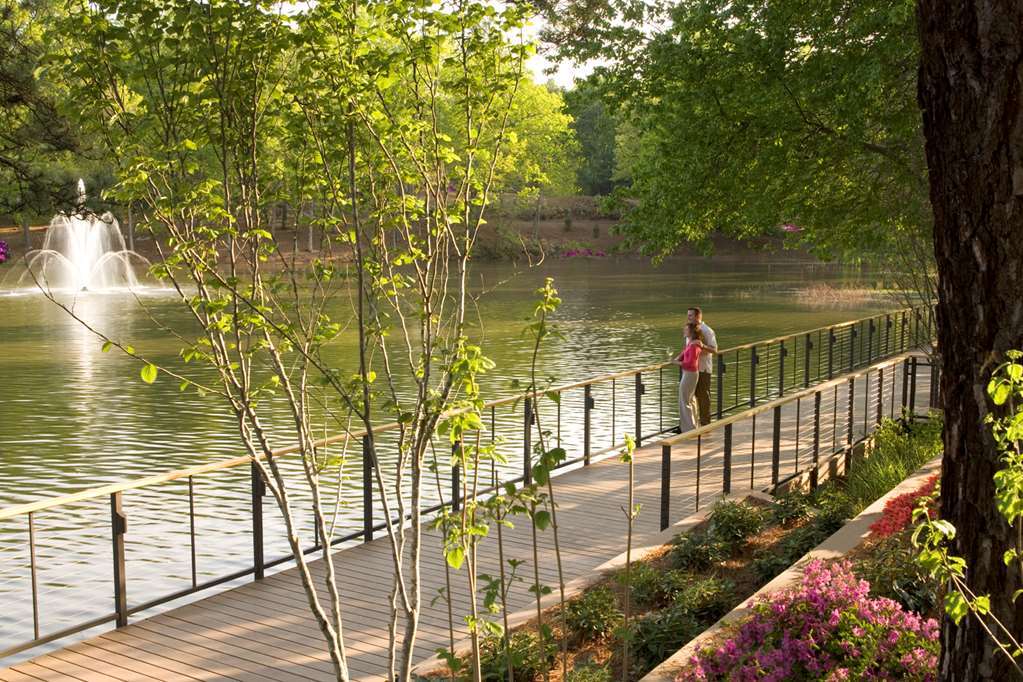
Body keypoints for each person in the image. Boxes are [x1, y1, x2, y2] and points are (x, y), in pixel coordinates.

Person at [675, 323, 714, 432]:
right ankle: (693, 426)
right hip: (691, 374)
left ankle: (688, 429)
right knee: (690, 400)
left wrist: (675, 362)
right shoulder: (692, 344)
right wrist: (678, 358)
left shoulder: (693, 346)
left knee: (685, 400)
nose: (684, 330)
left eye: (686, 329)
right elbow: (684, 354)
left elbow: (690, 364)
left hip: (689, 374)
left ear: (691, 332)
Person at [687, 307, 718, 426]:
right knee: (689, 397)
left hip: (703, 368)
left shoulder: (707, 331)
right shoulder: (689, 329)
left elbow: (715, 350)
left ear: (697, 316)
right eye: (688, 315)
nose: (688, 317)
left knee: (703, 397)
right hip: (690, 369)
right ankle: (690, 424)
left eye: (690, 315)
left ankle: (706, 424)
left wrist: (702, 346)